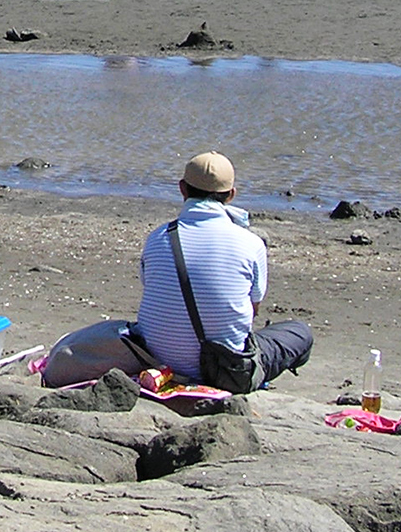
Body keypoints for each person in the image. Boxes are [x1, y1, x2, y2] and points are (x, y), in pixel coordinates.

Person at [133, 152, 313, 390]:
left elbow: (154, 288)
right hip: (225, 370)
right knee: (300, 333)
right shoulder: (250, 243)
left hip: (158, 362)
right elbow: (252, 309)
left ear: (182, 189)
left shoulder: (157, 238)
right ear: (231, 195)